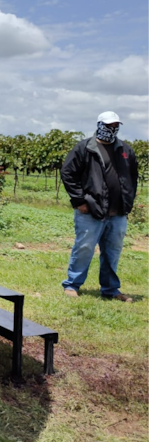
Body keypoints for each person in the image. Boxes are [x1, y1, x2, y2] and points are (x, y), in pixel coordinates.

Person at [59, 111, 139, 302]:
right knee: (84, 247)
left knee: (113, 251)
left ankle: (111, 289)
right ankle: (72, 285)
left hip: (118, 212)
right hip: (91, 210)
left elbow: (132, 178)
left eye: (115, 126)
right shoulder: (85, 148)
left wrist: (127, 202)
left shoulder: (125, 150)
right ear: (99, 125)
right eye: (108, 126)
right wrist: (79, 201)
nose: (112, 130)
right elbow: (68, 173)